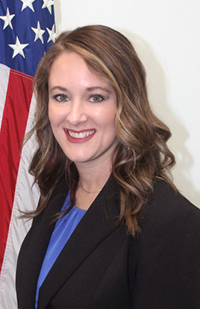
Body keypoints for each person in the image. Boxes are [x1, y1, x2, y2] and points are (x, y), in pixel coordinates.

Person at [16, 25, 200, 309]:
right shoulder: (58, 193)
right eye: (61, 96)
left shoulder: (173, 223)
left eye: (96, 97)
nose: (74, 116)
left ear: (126, 104)